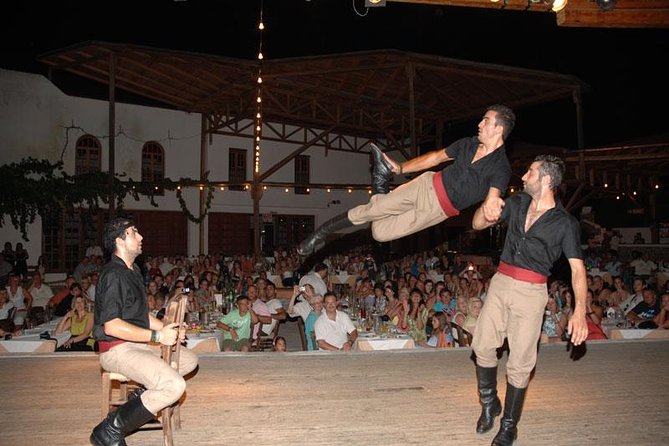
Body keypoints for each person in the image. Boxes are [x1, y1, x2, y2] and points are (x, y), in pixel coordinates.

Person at [470, 155, 588, 446]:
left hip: (532, 292)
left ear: (546, 179)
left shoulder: (565, 223)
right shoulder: (517, 203)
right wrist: (487, 207)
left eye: (530, 172)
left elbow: (577, 270)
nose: (523, 176)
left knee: (520, 363)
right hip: (500, 282)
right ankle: (490, 403)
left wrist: (579, 312)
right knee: (482, 345)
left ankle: (509, 426)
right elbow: (477, 224)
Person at [297, 104, 514, 255]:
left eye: (486, 121)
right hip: (426, 184)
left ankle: (380, 181)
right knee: (370, 211)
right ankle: (320, 234)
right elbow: (435, 158)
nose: (480, 124)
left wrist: (492, 204)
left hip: (437, 210)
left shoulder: (501, 168)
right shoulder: (468, 143)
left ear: (498, 129)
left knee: (380, 233)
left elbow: (493, 195)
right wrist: (400, 168)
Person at [90, 218, 198, 446]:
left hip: (138, 343)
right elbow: (111, 326)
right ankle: (109, 430)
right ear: (119, 240)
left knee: (189, 360)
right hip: (117, 349)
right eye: (133, 233)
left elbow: (141, 315)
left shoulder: (134, 271)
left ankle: (139, 399)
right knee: (174, 385)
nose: (140, 237)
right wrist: (158, 337)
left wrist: (167, 329)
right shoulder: (113, 275)